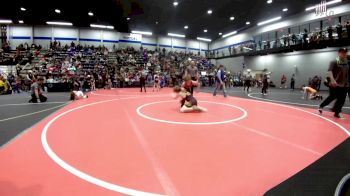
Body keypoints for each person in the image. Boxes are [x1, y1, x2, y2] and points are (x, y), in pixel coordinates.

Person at [319, 48, 349, 119]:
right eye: (342, 52)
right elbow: (329, 71)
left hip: (344, 84)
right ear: (338, 53)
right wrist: (332, 80)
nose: (344, 54)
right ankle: (321, 106)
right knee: (332, 96)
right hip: (334, 83)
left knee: (342, 99)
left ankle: (337, 113)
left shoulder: (346, 62)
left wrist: (347, 82)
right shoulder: (335, 61)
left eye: (345, 53)